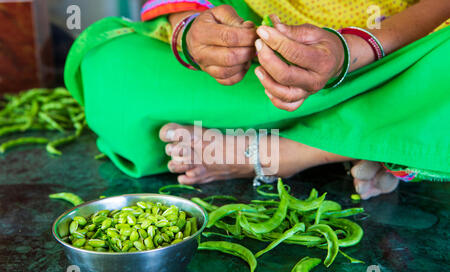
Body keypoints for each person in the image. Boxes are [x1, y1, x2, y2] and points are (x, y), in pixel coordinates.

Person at [64, 0, 450, 199]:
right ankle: (372, 135)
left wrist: (355, 50)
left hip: (400, 52)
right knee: (111, 63)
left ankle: (290, 152)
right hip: (259, 61)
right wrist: (192, 34)